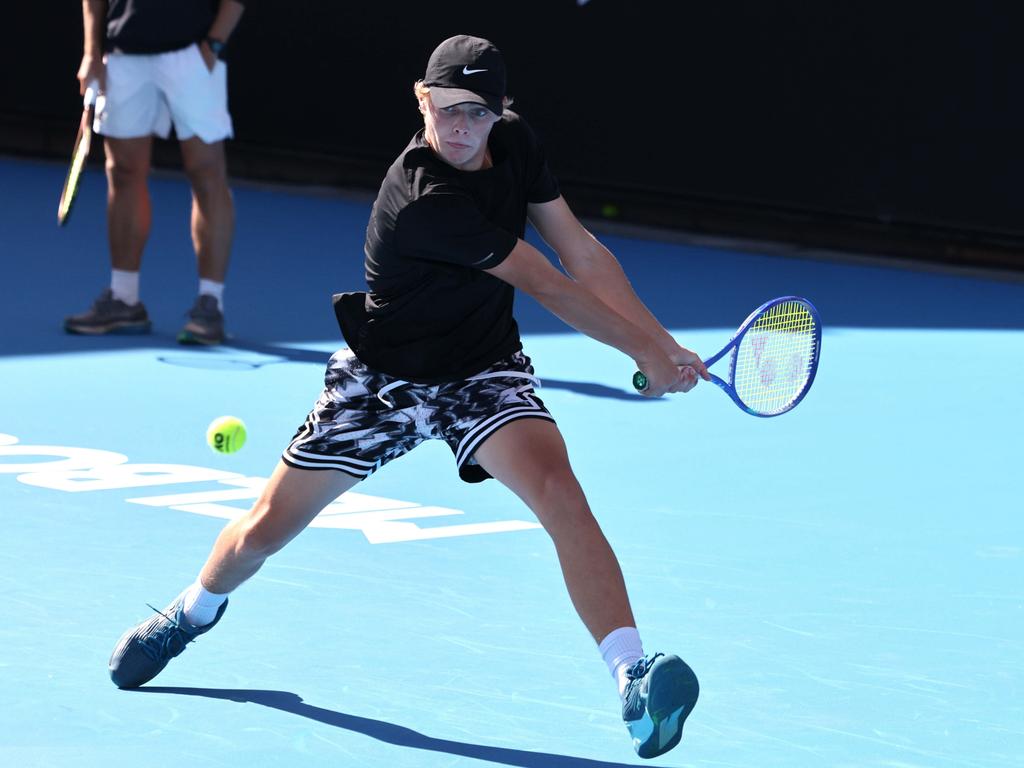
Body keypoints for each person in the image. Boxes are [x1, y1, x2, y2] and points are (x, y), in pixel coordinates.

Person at [107, 35, 708, 759]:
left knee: (560, 491)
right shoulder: (425, 196)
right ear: (421, 100)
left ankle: (632, 678)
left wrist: (660, 339)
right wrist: (644, 352)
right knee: (264, 530)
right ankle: (192, 613)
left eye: (478, 114)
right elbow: (547, 284)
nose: (460, 127)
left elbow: (579, 250)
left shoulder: (515, 146)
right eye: (445, 109)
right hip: (380, 380)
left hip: (481, 369)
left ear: (502, 113)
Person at [65, 0, 246, 344]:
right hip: (122, 53)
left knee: (205, 171)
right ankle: (124, 299)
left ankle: (210, 304)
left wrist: (214, 44)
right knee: (123, 170)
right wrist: (92, 51)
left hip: (192, 54)